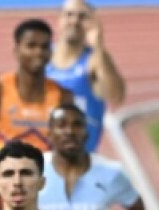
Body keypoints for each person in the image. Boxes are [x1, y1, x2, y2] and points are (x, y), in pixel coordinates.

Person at [0, 19, 75, 152]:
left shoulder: (62, 96)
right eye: (31, 46)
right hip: (6, 170)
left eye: (44, 47)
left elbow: (73, 142)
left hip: (44, 171)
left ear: (51, 52)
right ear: (16, 50)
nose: (38, 52)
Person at [46, 0, 126, 153]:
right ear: (59, 19)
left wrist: (99, 47)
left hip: (82, 158)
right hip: (46, 158)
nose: (75, 21)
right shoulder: (43, 58)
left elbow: (116, 96)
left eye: (82, 16)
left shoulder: (94, 60)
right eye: (69, 15)